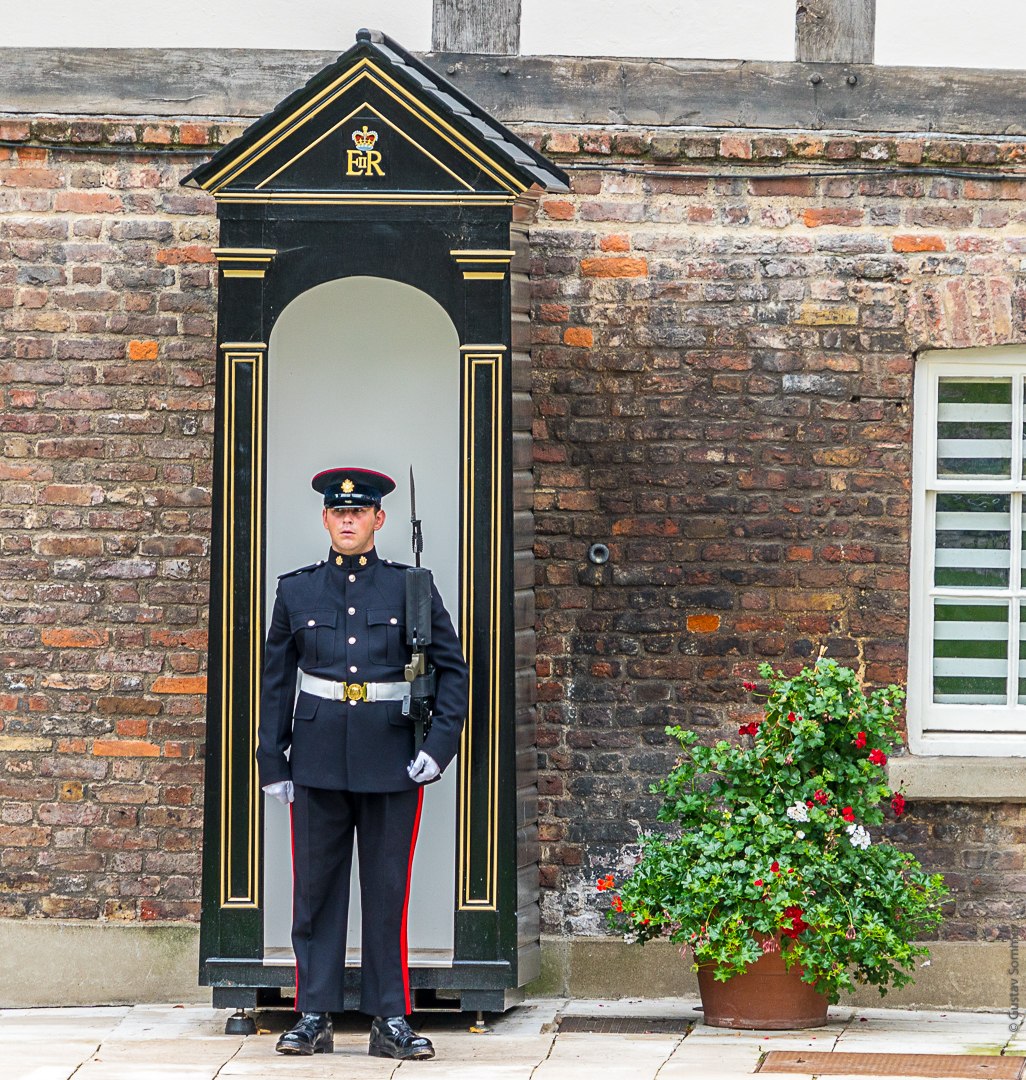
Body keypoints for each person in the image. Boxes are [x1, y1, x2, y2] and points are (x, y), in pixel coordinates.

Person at [256, 467, 468, 1059]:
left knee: (385, 892)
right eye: (338, 512)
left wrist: (437, 748)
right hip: (317, 760)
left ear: (379, 520)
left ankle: (390, 1018)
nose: (348, 520)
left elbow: (453, 673)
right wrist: (272, 759)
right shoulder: (296, 591)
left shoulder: (412, 589)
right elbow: (276, 682)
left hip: (392, 759)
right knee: (316, 893)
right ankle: (313, 1014)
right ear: (326, 519)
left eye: (360, 512)